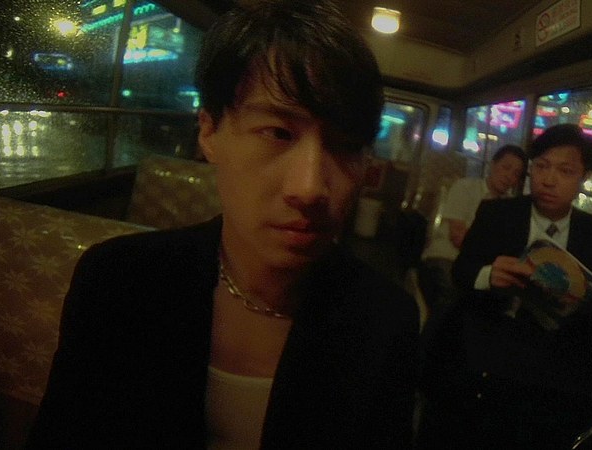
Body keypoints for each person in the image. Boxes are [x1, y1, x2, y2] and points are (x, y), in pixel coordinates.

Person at [25, 1, 419, 448]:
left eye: (346, 145)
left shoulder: (385, 319)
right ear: (209, 131)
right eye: (278, 133)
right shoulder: (121, 281)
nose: (310, 188)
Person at [417, 124, 592, 449]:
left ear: (585, 177)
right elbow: (462, 271)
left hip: (551, 349)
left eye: (565, 171)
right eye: (541, 166)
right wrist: (488, 275)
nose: (548, 180)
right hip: (491, 328)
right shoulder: (498, 212)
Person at [417, 145, 527, 315]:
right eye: (506, 167)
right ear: (492, 164)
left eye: (516, 174)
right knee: (454, 298)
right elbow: (458, 237)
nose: (509, 176)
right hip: (446, 257)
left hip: (482, 268)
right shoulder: (466, 187)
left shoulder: (510, 207)